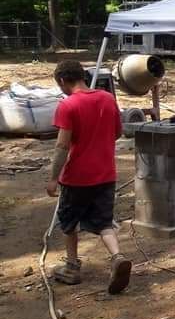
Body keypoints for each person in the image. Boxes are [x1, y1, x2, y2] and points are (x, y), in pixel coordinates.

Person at [46, 60, 131, 294]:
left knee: (69, 221)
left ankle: (72, 267)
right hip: (106, 174)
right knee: (104, 222)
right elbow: (117, 132)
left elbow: (62, 146)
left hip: (77, 177)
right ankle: (117, 257)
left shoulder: (68, 105)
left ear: (63, 81)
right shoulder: (107, 98)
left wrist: (53, 178)